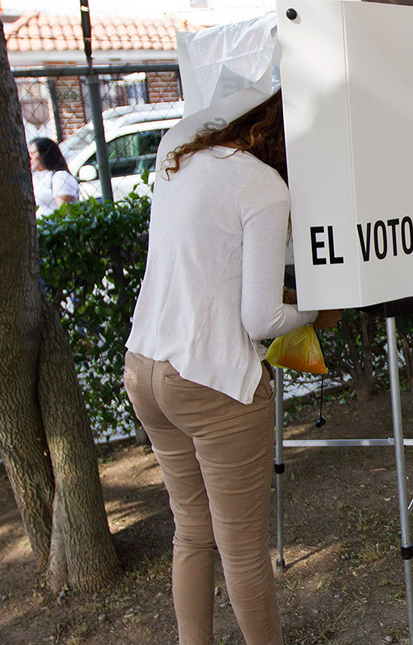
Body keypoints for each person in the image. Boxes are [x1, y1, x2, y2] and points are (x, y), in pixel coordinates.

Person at [123, 92, 335, 645]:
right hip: (210, 380)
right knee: (242, 550)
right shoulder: (263, 186)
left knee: (191, 534)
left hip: (144, 367)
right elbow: (261, 318)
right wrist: (315, 309)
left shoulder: (178, 155)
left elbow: (216, 277)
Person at [28, 137, 78, 217]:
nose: (29, 157)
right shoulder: (34, 177)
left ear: (45, 153)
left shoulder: (60, 176)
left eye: (33, 153)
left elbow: (66, 212)